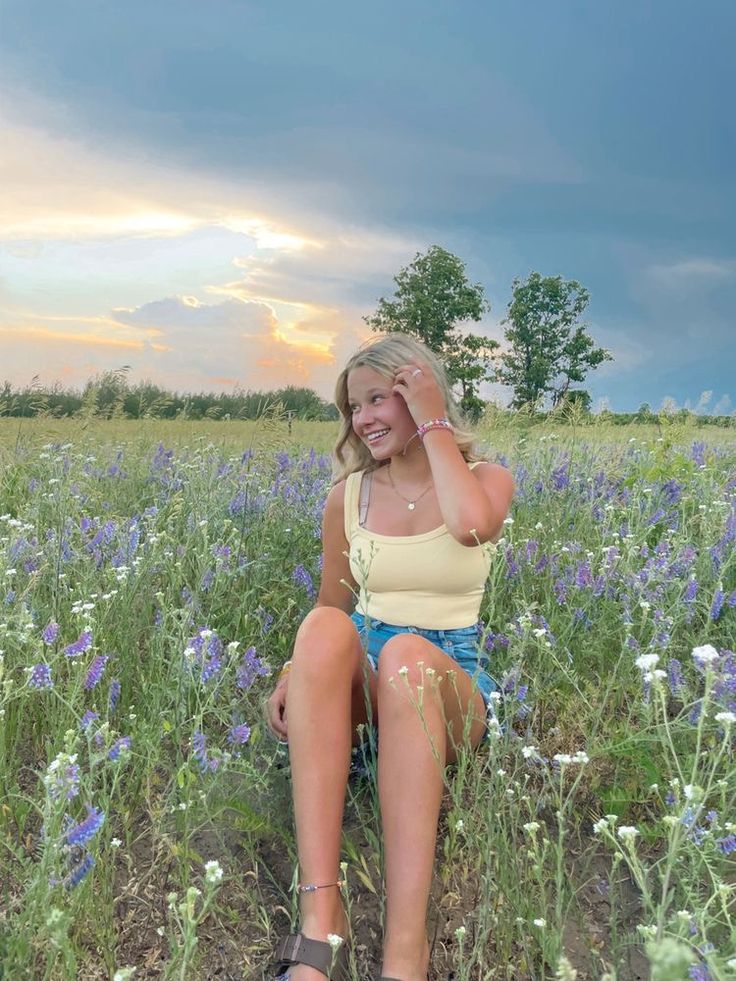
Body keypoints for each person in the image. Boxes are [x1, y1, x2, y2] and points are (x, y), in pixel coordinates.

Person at [267, 333, 514, 981]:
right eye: (354, 406)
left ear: (421, 393)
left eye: (381, 398)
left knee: (407, 650)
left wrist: (434, 422)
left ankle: (406, 953)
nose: (364, 418)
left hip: (447, 679)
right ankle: (322, 925)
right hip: (370, 681)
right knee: (322, 627)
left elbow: (470, 526)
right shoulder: (347, 496)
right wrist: (297, 672)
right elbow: (333, 603)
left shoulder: (486, 480)